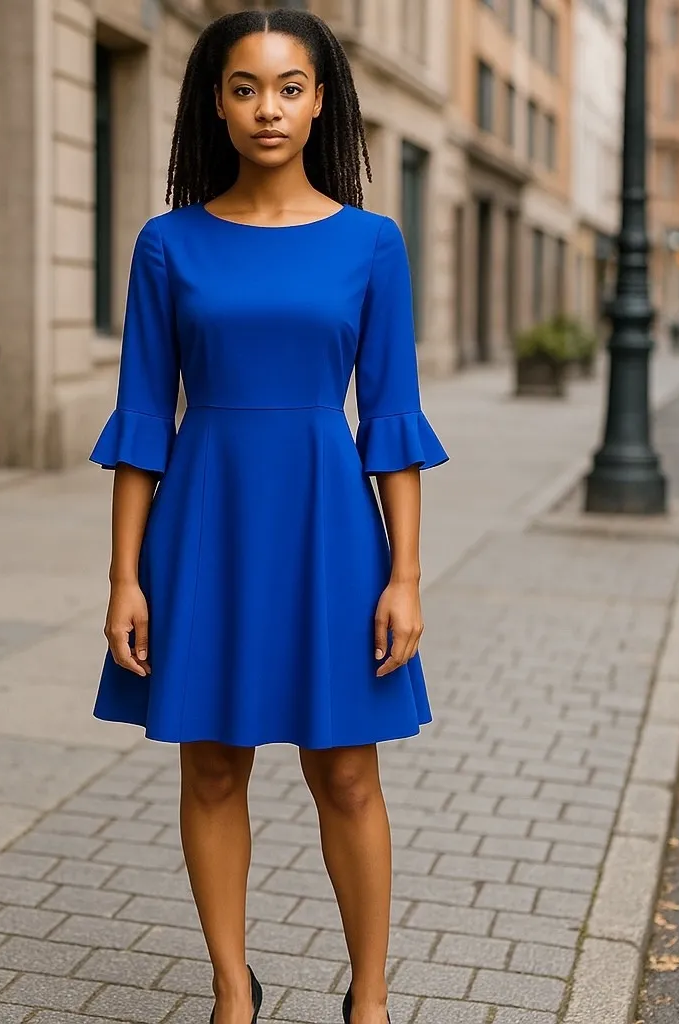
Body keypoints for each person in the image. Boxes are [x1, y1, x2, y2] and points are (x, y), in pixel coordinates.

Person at [89, 10, 448, 1024]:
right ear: (216, 102)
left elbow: (391, 420)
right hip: (205, 529)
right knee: (211, 766)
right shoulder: (168, 244)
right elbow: (142, 423)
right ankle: (230, 989)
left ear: (321, 100)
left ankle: (369, 999)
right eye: (245, 88)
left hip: (330, 531)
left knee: (347, 772)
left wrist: (405, 575)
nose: (267, 109)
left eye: (289, 88)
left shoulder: (371, 244)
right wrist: (123, 577)